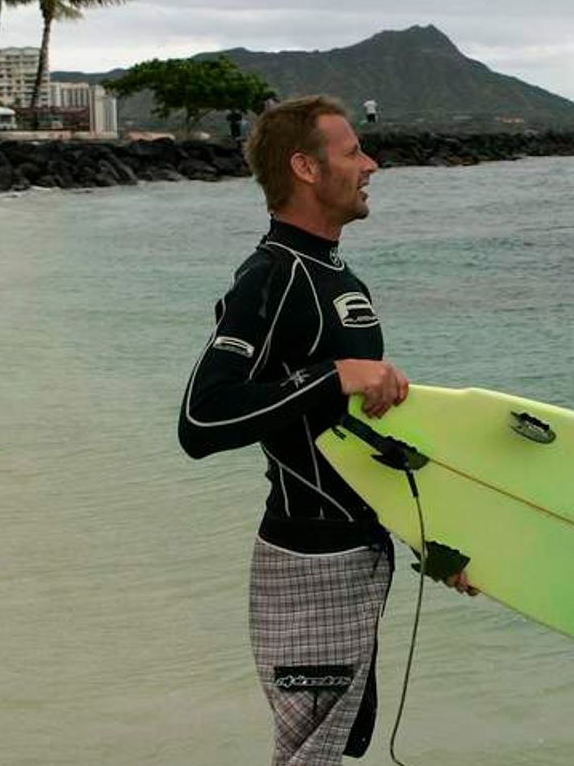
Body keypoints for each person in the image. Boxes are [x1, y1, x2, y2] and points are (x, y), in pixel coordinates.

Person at [178, 95, 468, 765]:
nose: (371, 164)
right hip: (307, 562)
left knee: (334, 748)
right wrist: (330, 374)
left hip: (356, 551)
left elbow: (347, 440)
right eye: (352, 152)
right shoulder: (272, 277)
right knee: (308, 758)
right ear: (305, 167)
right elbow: (202, 418)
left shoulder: (339, 276)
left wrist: (444, 539)